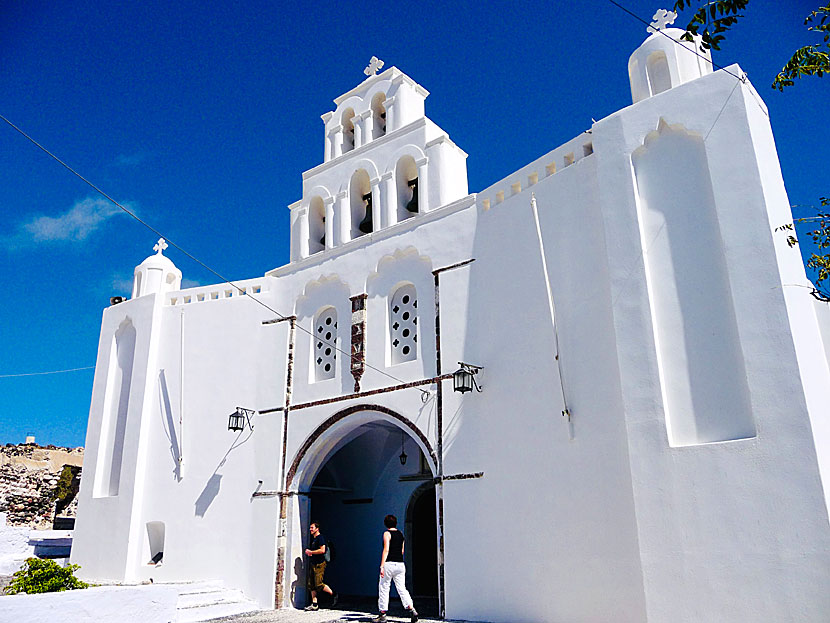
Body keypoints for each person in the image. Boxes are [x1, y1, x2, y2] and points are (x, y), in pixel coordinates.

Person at [374, 514, 418, 623]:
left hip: (389, 563)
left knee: (384, 587)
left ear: (386, 523)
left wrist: (382, 566)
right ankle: (411, 609)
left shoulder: (387, 534)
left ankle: (383, 614)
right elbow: (402, 551)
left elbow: (386, 550)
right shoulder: (401, 534)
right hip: (400, 564)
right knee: (402, 588)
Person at [304, 521, 337, 611]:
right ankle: (314, 604)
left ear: (317, 529)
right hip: (313, 563)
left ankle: (334, 594)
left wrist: (311, 552)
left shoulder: (320, 538)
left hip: (319, 563)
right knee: (311, 584)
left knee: (318, 584)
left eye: (312, 528)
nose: (310, 529)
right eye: (310, 528)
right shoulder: (314, 539)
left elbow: (322, 550)